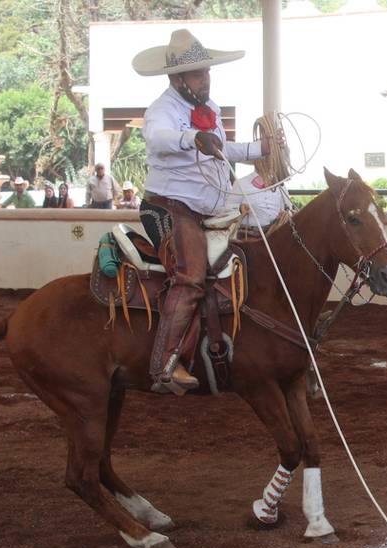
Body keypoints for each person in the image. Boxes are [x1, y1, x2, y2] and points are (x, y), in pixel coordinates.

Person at [132, 29, 271, 395]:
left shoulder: (210, 110)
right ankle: (164, 362)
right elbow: (157, 138)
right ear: (177, 78)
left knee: (251, 255)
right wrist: (192, 138)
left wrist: (262, 149)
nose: (205, 79)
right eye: (198, 74)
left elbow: (225, 149)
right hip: (169, 208)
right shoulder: (161, 110)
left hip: (207, 209)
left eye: (207, 72)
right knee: (191, 274)